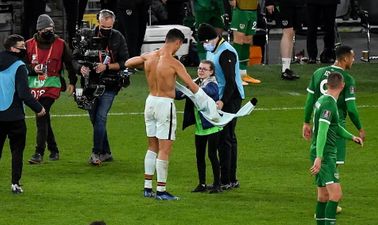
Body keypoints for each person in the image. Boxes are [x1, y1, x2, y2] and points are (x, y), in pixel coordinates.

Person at [126, 28, 216, 200]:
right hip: (164, 105)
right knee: (165, 149)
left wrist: (145, 63)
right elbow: (192, 85)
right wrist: (208, 104)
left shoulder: (149, 56)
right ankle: (161, 190)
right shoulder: (174, 63)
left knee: (152, 146)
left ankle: (147, 187)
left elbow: (129, 63)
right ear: (177, 43)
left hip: (150, 101)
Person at [303, 45, 365, 213]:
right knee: (330, 163)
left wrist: (306, 122)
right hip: (334, 127)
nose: (354, 60)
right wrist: (359, 128)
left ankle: (324, 198)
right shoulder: (346, 79)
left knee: (325, 163)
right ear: (344, 59)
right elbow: (351, 109)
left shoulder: (317, 73)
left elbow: (309, 100)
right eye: (352, 57)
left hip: (318, 123)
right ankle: (330, 200)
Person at [73, 9, 129, 165]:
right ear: (98, 22)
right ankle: (106, 152)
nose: (106, 31)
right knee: (95, 119)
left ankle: (96, 153)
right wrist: (80, 68)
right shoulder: (87, 36)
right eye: (103, 28)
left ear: (113, 24)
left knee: (100, 117)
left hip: (110, 83)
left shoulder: (118, 37)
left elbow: (126, 61)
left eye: (109, 28)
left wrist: (108, 67)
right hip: (89, 83)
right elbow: (74, 58)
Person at [197, 23, 245, 190]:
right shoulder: (212, 49)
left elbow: (231, 81)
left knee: (226, 138)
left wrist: (223, 101)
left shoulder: (226, 52)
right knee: (224, 138)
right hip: (220, 97)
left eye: (206, 40)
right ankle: (228, 178)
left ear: (214, 37)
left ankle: (228, 179)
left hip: (230, 98)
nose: (205, 44)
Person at [26, 14, 77, 164]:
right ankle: (54, 149)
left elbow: (69, 63)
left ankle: (38, 152)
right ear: (39, 30)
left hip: (53, 84)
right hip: (34, 85)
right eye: (46, 29)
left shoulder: (60, 44)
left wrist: (72, 82)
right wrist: (34, 68)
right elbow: (22, 65)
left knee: (41, 113)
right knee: (44, 116)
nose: (50, 31)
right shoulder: (29, 44)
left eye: (51, 28)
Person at [0, 34, 46, 193]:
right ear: (13, 49)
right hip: (14, 117)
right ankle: (15, 184)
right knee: (17, 152)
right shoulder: (19, 65)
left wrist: (33, 70)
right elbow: (24, 94)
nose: (25, 50)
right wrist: (39, 108)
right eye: (22, 48)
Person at [176, 60, 223, 194]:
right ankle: (202, 184)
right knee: (200, 156)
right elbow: (180, 95)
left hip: (212, 125)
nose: (201, 71)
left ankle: (217, 184)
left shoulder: (212, 84)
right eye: (199, 68)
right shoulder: (195, 83)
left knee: (212, 155)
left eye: (204, 69)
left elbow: (205, 92)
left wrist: (190, 86)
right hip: (200, 126)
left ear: (211, 72)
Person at [265, 0, 301, 80]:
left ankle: (287, 68)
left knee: (292, 32)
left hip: (298, 4)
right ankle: (285, 69)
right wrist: (269, 2)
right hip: (283, 3)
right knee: (288, 31)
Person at [229, 0, 261, 85]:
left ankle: (243, 73)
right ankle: (234, 74)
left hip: (253, 9)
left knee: (248, 39)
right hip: (240, 9)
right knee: (239, 40)